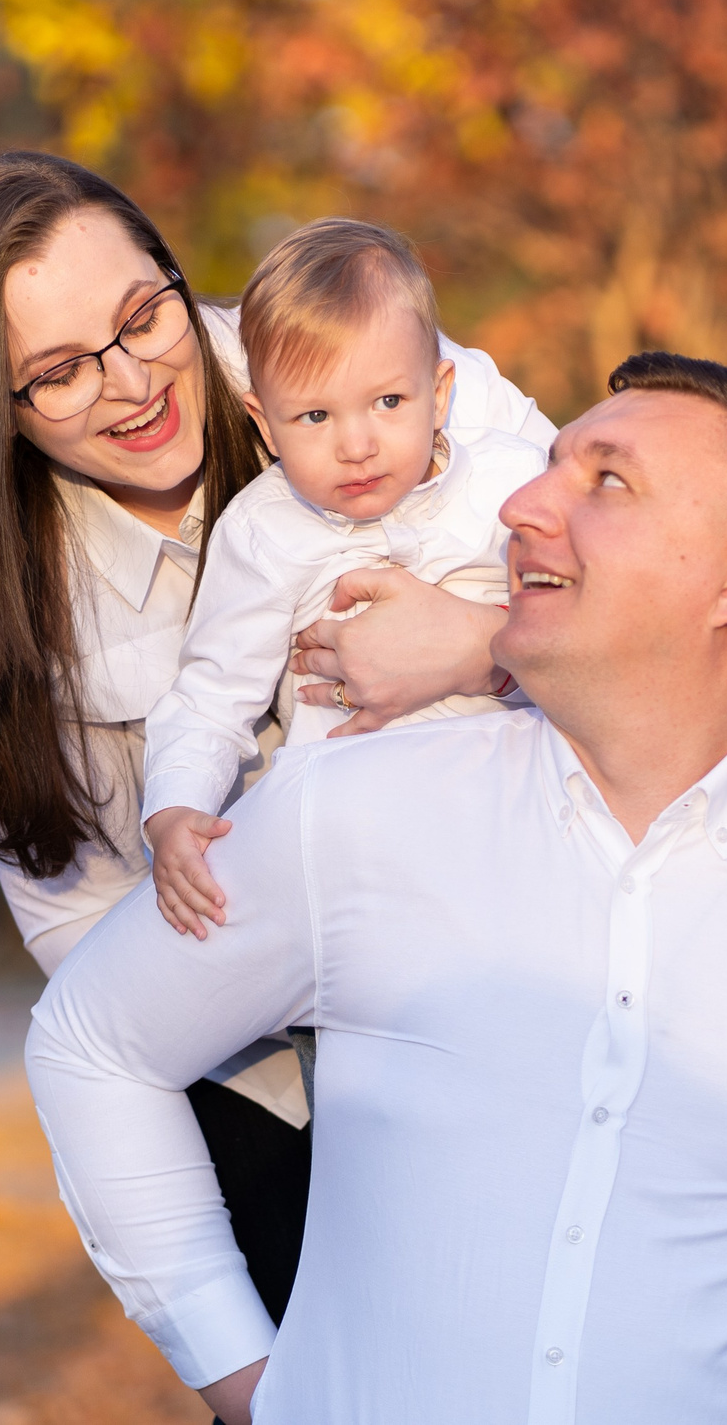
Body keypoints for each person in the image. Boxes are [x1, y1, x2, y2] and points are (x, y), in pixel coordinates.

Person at [26, 353, 727, 1425]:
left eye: (606, 480)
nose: (521, 508)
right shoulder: (351, 813)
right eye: (543, 468)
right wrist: (245, 1380)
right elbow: (94, 1043)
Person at [0, 152, 553, 1330]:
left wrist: (479, 646)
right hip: (265, 1083)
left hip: (520, 988)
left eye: (145, 316)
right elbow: (96, 985)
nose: (133, 381)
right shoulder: (6, 626)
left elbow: (639, 610)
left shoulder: (370, 356)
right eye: (55, 374)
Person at [142, 218, 545, 937]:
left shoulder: (510, 485)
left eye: (389, 402)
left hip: (516, 824)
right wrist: (174, 808)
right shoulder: (263, 532)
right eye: (316, 415)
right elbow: (211, 692)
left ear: (440, 391)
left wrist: (494, 647)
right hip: (345, 857)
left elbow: (601, 620)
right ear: (265, 426)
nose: (357, 445)